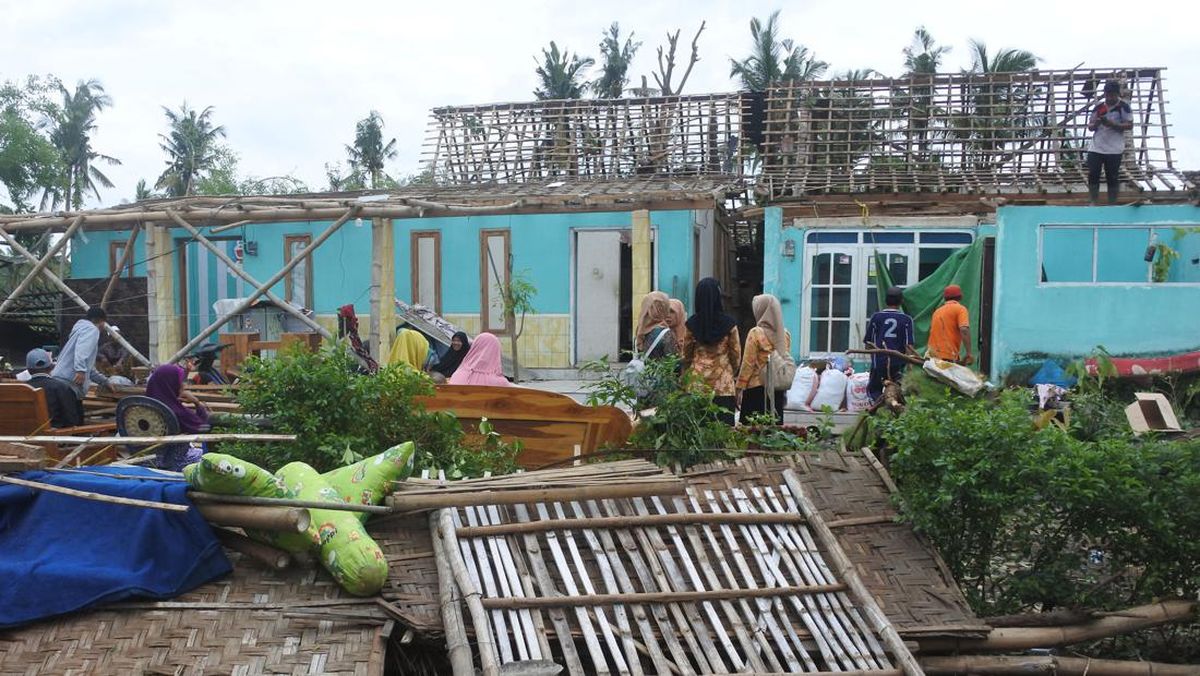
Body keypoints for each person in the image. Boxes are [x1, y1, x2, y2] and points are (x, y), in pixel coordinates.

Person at [682, 278, 741, 425]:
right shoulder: (729, 324)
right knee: (723, 432)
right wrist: (732, 371)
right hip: (724, 386)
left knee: (699, 432)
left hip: (697, 385)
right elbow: (736, 354)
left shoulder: (691, 324)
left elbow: (686, 354)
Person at [737, 294, 791, 423]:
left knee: (752, 433)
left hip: (756, 389)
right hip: (776, 389)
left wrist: (739, 387)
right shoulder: (785, 334)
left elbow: (747, 364)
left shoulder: (756, 333)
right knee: (773, 431)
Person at [50, 307, 112, 421]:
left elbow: (90, 370)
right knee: (72, 421)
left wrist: (104, 382)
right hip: (69, 383)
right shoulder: (91, 330)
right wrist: (80, 370)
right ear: (101, 320)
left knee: (74, 418)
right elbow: (81, 351)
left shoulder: (80, 330)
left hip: (62, 381)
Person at [145, 364, 211, 471]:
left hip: (144, 461)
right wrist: (197, 403)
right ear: (171, 383)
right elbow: (204, 427)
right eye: (180, 381)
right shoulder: (176, 412)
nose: (183, 385)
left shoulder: (143, 407)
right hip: (174, 464)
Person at [864, 287, 916, 401]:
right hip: (898, 362)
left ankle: (877, 408)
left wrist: (873, 359)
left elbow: (868, 342)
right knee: (899, 389)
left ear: (885, 300)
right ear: (901, 301)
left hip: (879, 362)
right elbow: (909, 346)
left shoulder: (876, 317)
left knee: (874, 389)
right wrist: (910, 366)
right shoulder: (906, 319)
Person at [1087, 80, 1134, 205]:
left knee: (1112, 176)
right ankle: (1093, 200)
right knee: (1093, 173)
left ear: (1117, 94)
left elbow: (1129, 125)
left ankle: (1112, 202)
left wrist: (1113, 124)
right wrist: (1096, 123)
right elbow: (1090, 126)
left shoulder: (1123, 107)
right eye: (1108, 95)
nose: (1110, 97)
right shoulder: (1099, 107)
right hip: (1096, 147)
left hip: (1114, 149)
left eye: (1112, 95)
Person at [25, 348, 82, 428]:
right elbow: (71, 420)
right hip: (55, 435)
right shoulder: (62, 387)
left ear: (28, 370)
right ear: (51, 367)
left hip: (21, 433)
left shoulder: (20, 389)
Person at [928, 285, 973, 365]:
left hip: (932, 355)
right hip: (948, 355)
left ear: (945, 298)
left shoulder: (937, 311)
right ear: (960, 297)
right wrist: (969, 353)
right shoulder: (960, 309)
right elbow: (964, 330)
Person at [636, 291, 677, 359]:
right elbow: (672, 362)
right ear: (663, 309)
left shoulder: (639, 331)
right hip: (659, 369)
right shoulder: (665, 333)